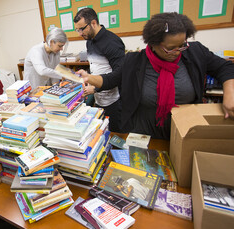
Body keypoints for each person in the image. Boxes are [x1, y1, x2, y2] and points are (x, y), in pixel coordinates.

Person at [77, 12, 234, 139]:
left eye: (182, 45)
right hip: (143, 133)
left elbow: (225, 67)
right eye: (170, 48)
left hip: (186, 132)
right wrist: (88, 77)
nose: (178, 51)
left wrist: (230, 92)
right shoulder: (134, 61)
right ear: (153, 44)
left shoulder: (196, 52)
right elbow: (111, 79)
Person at [73, 8, 125, 132]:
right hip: (99, 100)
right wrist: (88, 82)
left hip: (114, 102)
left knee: (114, 138)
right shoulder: (89, 41)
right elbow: (97, 68)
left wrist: (95, 88)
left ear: (93, 23)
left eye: (82, 29)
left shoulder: (112, 42)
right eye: (77, 29)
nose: (79, 33)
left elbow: (119, 76)